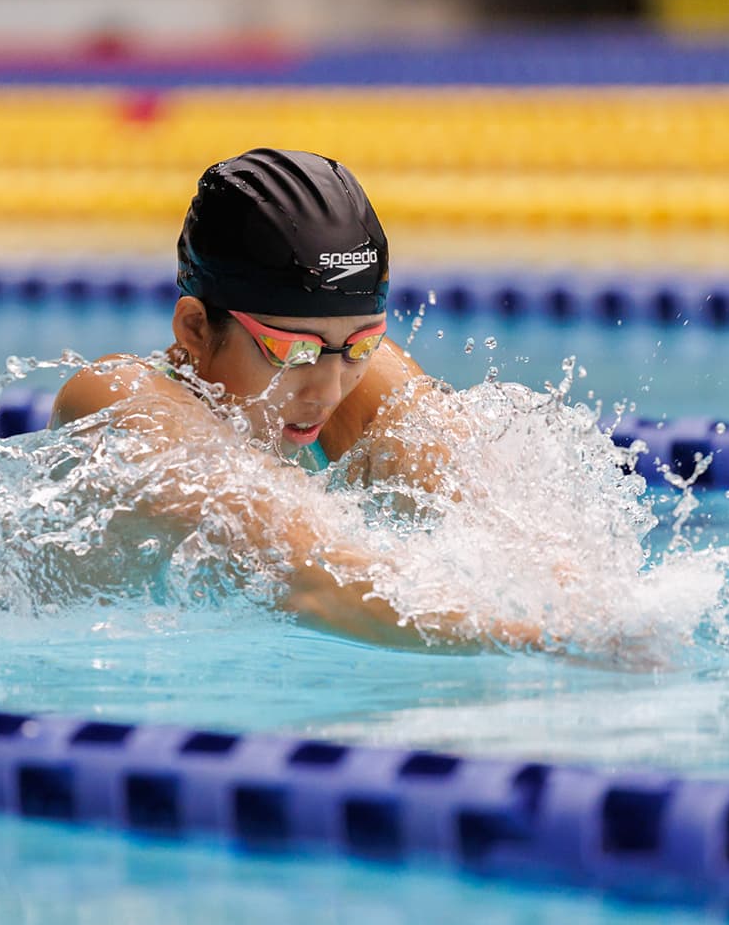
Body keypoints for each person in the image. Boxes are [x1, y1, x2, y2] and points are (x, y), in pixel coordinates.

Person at [52, 147, 535, 650]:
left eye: (361, 344)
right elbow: (312, 580)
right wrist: (550, 646)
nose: (327, 391)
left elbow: (505, 528)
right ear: (195, 327)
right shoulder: (116, 399)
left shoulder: (361, 376)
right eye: (292, 352)